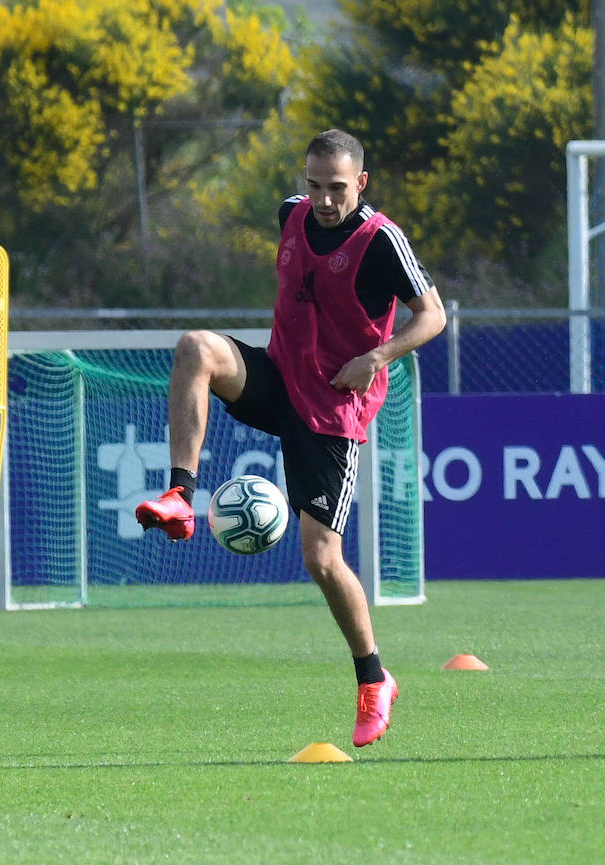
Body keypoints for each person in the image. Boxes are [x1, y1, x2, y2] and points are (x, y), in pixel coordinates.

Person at [135, 129, 447, 747]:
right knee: (196, 347)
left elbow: (433, 315)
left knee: (320, 557)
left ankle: (373, 678)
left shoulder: (381, 240)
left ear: (361, 182)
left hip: (334, 407)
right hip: (281, 378)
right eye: (315, 185)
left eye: (337, 188)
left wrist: (377, 358)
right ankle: (179, 495)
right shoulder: (291, 215)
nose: (325, 200)